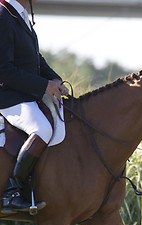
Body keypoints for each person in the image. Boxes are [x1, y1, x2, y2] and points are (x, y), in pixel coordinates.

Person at [0, 0, 68, 213]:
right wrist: (43, 86)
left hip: (25, 93)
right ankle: (11, 192)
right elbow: (4, 71)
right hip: (8, 96)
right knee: (42, 128)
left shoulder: (19, 15)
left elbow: (35, 59)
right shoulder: (3, 15)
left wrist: (55, 81)